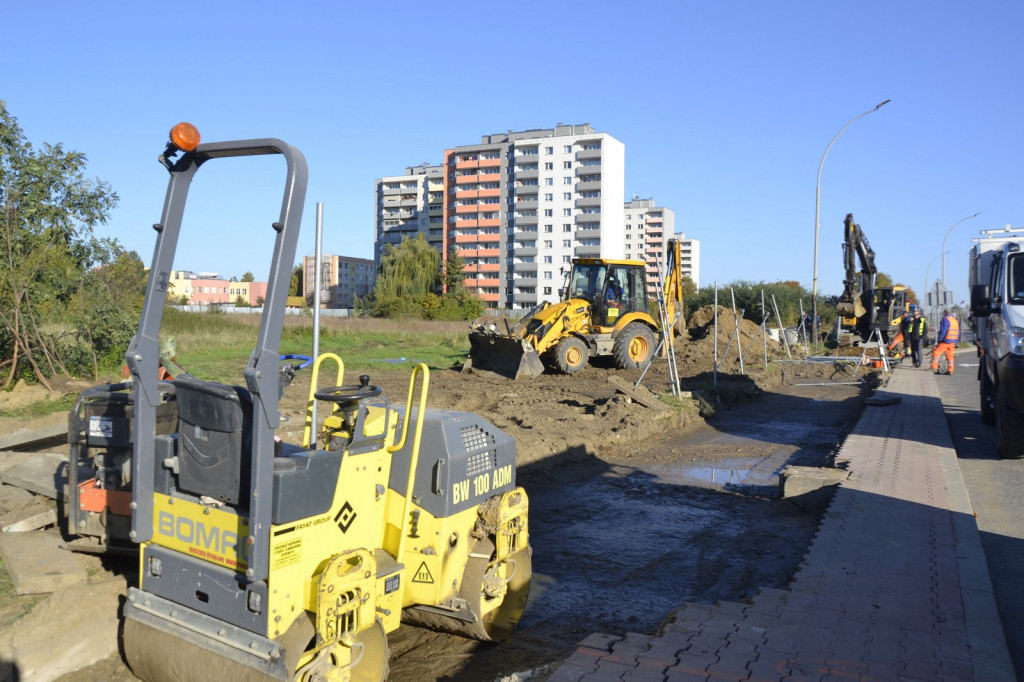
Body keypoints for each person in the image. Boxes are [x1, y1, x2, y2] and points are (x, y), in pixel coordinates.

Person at [930, 309, 960, 375]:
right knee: (950, 357)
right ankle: (950, 370)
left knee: (936, 353)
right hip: (953, 341)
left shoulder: (945, 319)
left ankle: (934, 367)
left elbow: (943, 331)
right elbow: (958, 332)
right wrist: (956, 342)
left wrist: (939, 340)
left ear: (945, 313)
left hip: (945, 340)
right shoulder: (955, 320)